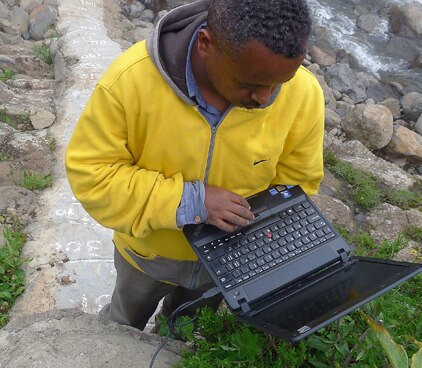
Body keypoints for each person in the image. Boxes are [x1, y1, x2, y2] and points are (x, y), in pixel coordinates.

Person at [65, 0, 324, 331]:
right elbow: (93, 176)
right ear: (206, 44)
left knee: (183, 330)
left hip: (226, 260)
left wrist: (264, 229)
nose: (265, 97)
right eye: (249, 84)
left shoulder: (303, 94)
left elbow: (298, 181)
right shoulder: (130, 82)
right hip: (147, 256)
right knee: (123, 323)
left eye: (280, 82)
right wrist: (193, 202)